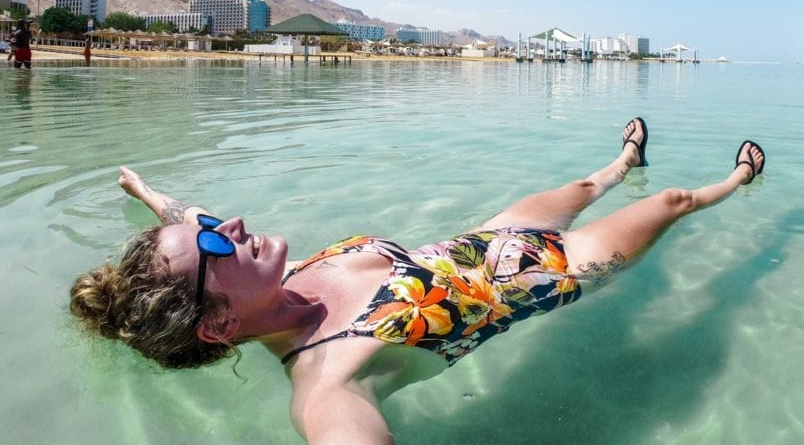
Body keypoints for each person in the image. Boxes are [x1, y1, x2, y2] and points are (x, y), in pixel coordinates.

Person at [70, 119, 765, 444]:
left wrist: (148, 192)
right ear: (218, 324)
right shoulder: (330, 386)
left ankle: (623, 160)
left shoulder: (274, 273)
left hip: (491, 236)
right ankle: (739, 178)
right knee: (673, 201)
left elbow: (186, 215)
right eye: (215, 241)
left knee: (589, 183)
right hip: (559, 270)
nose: (233, 222)